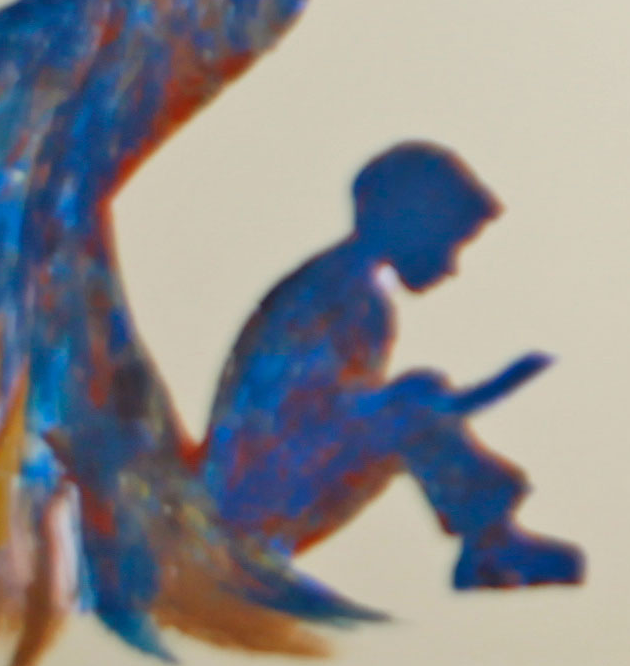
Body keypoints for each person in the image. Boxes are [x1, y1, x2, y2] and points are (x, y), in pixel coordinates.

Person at [201, 142, 582, 591]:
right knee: (412, 402)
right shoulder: (345, 291)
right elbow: (302, 408)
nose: (450, 266)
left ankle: (490, 535)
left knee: (416, 396)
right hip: (255, 484)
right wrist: (441, 405)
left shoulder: (351, 286)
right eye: (449, 243)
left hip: (273, 471)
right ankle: (489, 539)